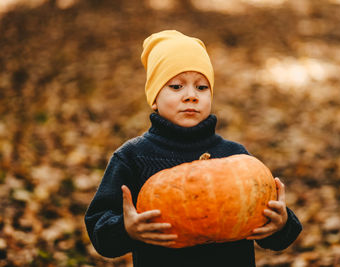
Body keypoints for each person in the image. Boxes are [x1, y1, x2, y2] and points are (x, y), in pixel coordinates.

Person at [85, 30, 302, 267]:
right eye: (177, 87)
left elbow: (272, 232)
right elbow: (99, 229)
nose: (191, 96)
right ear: (155, 98)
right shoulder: (133, 157)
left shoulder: (236, 156)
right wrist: (126, 229)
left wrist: (281, 225)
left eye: (201, 87)